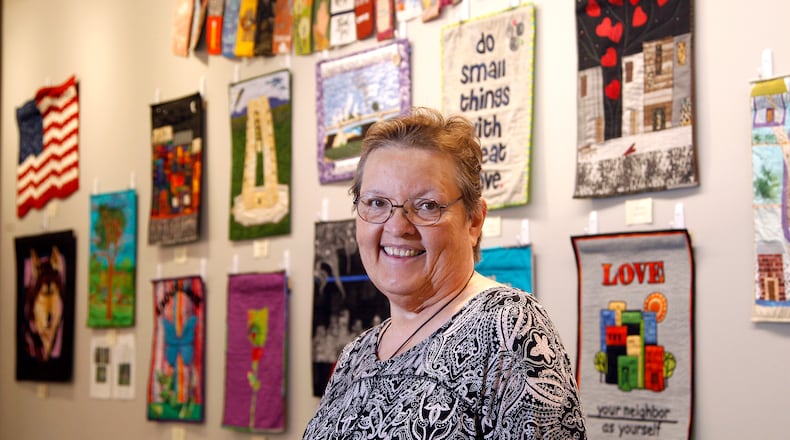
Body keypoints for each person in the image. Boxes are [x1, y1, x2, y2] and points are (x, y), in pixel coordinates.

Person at [303, 107, 587, 439]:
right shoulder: (356, 355)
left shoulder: (509, 329)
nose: (397, 226)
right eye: (377, 203)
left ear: (474, 221)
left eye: (426, 205)